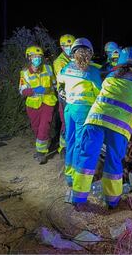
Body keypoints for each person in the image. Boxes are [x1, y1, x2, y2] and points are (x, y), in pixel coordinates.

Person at [71, 47, 132, 209]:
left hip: (95, 120)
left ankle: (78, 198)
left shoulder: (111, 75)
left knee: (86, 156)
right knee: (114, 161)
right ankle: (112, 201)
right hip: (119, 125)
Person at [57, 38, 102, 187]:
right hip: (83, 111)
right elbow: (99, 93)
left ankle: (69, 174)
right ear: (89, 53)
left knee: (70, 141)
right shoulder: (93, 71)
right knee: (80, 143)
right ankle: (77, 176)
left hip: (69, 109)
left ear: (73, 53)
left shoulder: (67, 68)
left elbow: (60, 79)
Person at [19, 46, 57, 164]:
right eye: (35, 57)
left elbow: (55, 84)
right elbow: (22, 91)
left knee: (44, 126)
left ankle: (41, 153)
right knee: (36, 128)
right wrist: (34, 90)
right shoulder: (24, 73)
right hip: (33, 105)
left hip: (48, 101)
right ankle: (42, 142)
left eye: (39, 57)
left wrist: (52, 90)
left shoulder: (48, 68)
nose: (37, 59)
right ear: (29, 58)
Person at [53, 34, 76, 157]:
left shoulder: (75, 58)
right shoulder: (59, 62)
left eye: (71, 45)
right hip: (64, 96)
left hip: (74, 95)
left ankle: (70, 146)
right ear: (61, 47)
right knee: (66, 122)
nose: (69, 48)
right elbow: (66, 76)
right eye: (66, 46)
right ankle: (63, 148)